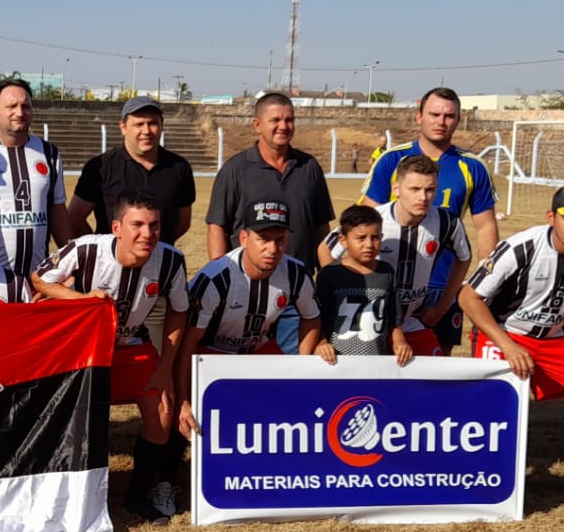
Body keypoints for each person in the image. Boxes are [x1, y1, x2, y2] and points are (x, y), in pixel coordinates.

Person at [459, 183, 564, 511]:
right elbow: (469, 297)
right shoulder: (520, 247)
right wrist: (506, 345)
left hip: (556, 338)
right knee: (494, 412)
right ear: (552, 217)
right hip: (505, 332)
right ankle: (483, 480)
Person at [32, 189, 189, 524]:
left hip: (132, 343)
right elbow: (39, 279)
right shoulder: (87, 248)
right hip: (84, 348)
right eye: (137, 225)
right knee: (73, 419)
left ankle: (138, 495)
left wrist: (165, 368)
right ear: (117, 228)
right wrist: (82, 299)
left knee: (162, 411)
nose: (147, 234)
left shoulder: (171, 259)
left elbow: (179, 312)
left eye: (154, 225)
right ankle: (68, 489)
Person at [359, 87, 499, 356]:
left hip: (443, 284)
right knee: (379, 361)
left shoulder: (472, 167)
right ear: (419, 116)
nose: (441, 121)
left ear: (458, 120)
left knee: (438, 364)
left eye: (449, 116)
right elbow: (366, 223)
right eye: (434, 114)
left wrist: (486, 284)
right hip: (391, 283)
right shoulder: (391, 161)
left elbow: (485, 227)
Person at [176, 201, 321, 436]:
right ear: (244, 239)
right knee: (200, 420)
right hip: (209, 353)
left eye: (280, 240)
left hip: (258, 350)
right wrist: (182, 399)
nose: (273, 249)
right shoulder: (216, 280)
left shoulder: (296, 273)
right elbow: (187, 344)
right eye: (263, 239)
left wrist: (302, 366)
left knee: (292, 406)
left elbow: (312, 318)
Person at [206, 92, 334, 354]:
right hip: (246, 292)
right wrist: (225, 281)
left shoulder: (309, 168)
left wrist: (330, 274)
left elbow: (321, 228)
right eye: (275, 119)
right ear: (257, 125)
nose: (283, 126)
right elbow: (217, 225)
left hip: (295, 292)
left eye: (289, 120)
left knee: (291, 373)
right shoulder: (236, 169)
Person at [320, 155, 472, 356]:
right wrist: (340, 293)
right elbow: (325, 250)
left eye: (430, 189)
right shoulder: (373, 220)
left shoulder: (447, 222)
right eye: (415, 189)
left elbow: (464, 257)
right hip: (369, 323)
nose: (423, 197)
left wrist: (441, 308)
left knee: (433, 381)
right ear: (396, 189)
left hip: (412, 322)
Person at [0, 79, 71, 277]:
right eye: (12, 106)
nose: (20, 112)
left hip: (38, 279)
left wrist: (72, 262)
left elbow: (58, 212)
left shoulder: (49, 154)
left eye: (25, 106)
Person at [67, 96, 195, 245]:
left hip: (159, 263)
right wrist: (102, 249)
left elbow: (183, 223)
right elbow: (75, 217)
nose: (146, 131)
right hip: (113, 264)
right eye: (139, 124)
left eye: (152, 123)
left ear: (162, 125)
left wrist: (154, 246)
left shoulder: (179, 168)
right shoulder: (100, 168)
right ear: (123, 127)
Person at [306, 205, 412, 365]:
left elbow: (394, 321)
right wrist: (321, 343)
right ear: (343, 240)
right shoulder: (329, 274)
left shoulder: (387, 272)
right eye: (361, 238)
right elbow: (316, 319)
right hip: (335, 363)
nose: (369, 244)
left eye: (375, 237)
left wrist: (400, 342)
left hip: (375, 364)